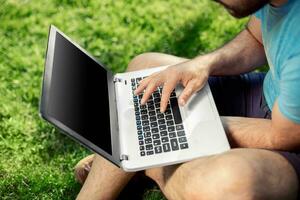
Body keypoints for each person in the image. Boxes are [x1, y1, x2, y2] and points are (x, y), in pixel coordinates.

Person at [75, 0, 300, 199]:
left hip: (289, 140)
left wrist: (198, 126)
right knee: (145, 71)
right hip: (268, 97)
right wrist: (203, 64)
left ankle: (147, 165)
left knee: (230, 185)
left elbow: (283, 136)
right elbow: (256, 38)